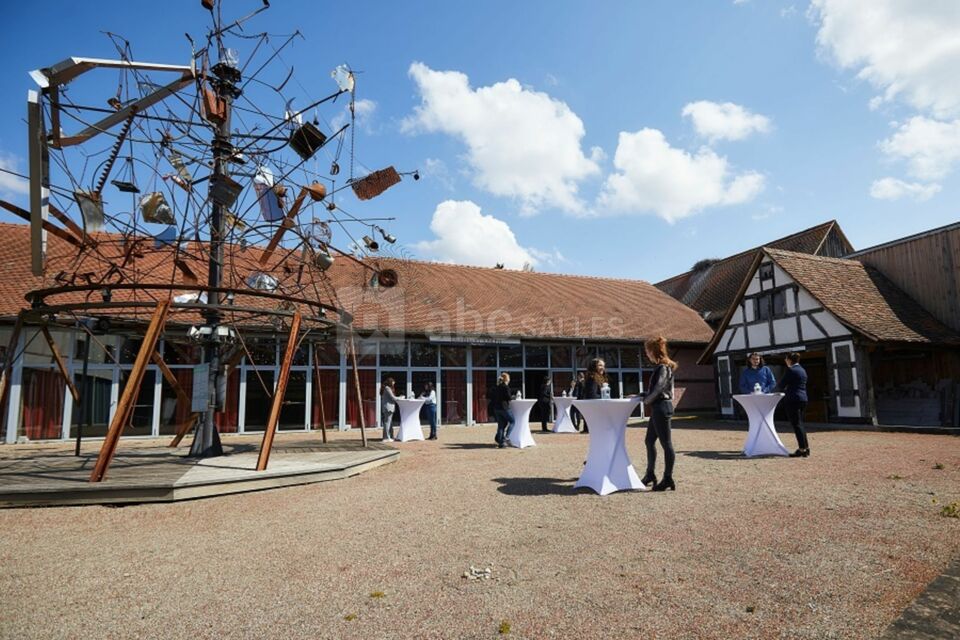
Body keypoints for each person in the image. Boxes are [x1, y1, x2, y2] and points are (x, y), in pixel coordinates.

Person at [641, 336, 677, 492]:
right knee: (649, 441)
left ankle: (668, 478)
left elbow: (660, 388)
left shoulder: (662, 367)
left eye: (647, 351)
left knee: (666, 444)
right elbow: (657, 389)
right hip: (659, 407)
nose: (647, 354)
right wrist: (641, 395)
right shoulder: (661, 367)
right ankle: (650, 474)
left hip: (661, 407)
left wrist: (646, 400)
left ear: (653, 351)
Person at [779, 352, 810, 457]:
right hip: (803, 398)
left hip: (793, 399)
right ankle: (806, 447)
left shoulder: (791, 370)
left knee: (796, 424)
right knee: (800, 424)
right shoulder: (802, 370)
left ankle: (801, 449)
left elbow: (781, 384)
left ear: (789, 360)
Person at [580, 359, 606, 434]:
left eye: (603, 366)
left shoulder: (599, 377)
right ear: (594, 366)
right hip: (594, 409)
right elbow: (592, 395)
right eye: (600, 365)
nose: (603, 367)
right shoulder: (592, 378)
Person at [492, 372, 515, 448]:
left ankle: (501, 443)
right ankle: (506, 437)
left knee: (501, 425)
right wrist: (513, 397)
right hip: (504, 407)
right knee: (512, 421)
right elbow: (508, 397)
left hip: (496, 408)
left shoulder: (496, 387)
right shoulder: (506, 387)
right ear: (506, 379)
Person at [380, 377, 399, 442]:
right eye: (393, 382)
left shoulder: (387, 388)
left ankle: (390, 436)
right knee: (387, 423)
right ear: (390, 382)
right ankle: (386, 437)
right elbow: (392, 397)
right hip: (388, 408)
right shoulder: (387, 388)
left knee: (389, 422)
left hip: (389, 407)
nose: (394, 383)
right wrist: (400, 398)